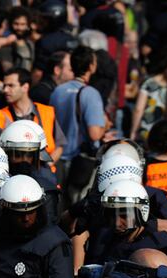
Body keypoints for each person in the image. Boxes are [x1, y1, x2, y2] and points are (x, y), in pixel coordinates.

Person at [50, 45, 107, 204]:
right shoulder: (91, 94)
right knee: (78, 207)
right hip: (81, 163)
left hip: (59, 158)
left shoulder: (57, 91)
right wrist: (106, 125)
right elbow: (94, 134)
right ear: (91, 66)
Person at [0, 67, 64, 164]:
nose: (5, 90)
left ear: (25, 87)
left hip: (44, 172)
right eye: (4, 86)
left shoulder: (47, 111)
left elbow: (60, 144)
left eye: (11, 86)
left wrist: (48, 166)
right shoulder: (1, 115)